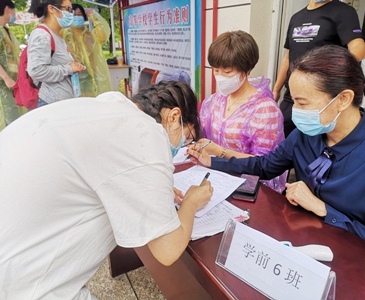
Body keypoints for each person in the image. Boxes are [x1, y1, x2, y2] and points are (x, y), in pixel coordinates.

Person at [0, 81, 213, 299]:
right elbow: (168, 250)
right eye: (185, 138)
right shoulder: (148, 132)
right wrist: (191, 201)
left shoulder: (113, 107)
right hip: (22, 281)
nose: (180, 147)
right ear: (174, 116)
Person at [188, 45, 365, 258]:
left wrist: (323, 209)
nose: (294, 111)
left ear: (343, 99)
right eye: (293, 101)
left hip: (356, 262)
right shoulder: (305, 135)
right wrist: (212, 162)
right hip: (302, 245)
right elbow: (265, 166)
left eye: (302, 102)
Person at [199, 30, 286, 193]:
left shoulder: (264, 110)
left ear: (246, 70)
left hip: (246, 189)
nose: (220, 77)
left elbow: (263, 164)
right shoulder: (214, 101)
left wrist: (218, 151)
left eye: (227, 72)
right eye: (216, 70)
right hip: (214, 181)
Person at [273, 0, 365, 137]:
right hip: (292, 97)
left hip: (321, 98)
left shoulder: (343, 11)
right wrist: (276, 89)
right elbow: (287, 57)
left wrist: (332, 70)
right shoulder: (296, 17)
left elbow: (359, 49)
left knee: (316, 147)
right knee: (286, 143)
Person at [28, 0, 86, 107]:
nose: (70, 14)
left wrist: (73, 67)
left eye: (70, 10)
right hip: (51, 103)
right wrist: (69, 69)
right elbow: (36, 71)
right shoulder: (42, 35)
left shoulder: (57, 35)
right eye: (67, 9)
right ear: (51, 9)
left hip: (62, 102)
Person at [61, 4, 113, 97]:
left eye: (80, 14)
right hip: (72, 78)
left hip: (92, 79)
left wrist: (94, 16)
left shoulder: (91, 36)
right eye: (73, 15)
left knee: (92, 105)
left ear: (84, 17)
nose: (77, 17)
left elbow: (104, 34)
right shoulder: (65, 35)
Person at [0, 0, 24, 130]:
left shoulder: (5, 30)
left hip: (13, 84)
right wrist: (6, 78)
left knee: (17, 118)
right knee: (10, 123)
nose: (14, 14)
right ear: (8, 9)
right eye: (14, 10)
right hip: (4, 86)